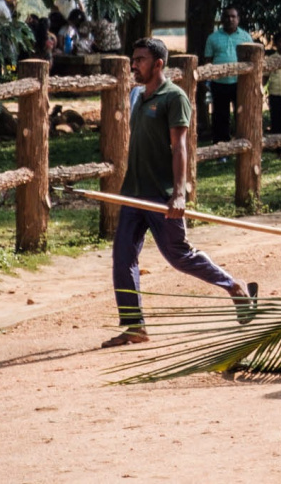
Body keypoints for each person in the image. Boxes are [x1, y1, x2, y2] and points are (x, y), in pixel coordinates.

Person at [103, 36, 255, 347]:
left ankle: (236, 287)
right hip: (133, 192)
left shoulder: (174, 98)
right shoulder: (136, 96)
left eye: (141, 60)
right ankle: (134, 326)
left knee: (179, 256)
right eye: (134, 59)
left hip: (162, 194)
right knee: (123, 257)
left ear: (158, 64)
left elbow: (180, 147)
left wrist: (179, 194)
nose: (134, 64)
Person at [201, 8, 251, 143]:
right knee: (220, 116)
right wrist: (207, 82)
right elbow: (208, 61)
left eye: (233, 17)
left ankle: (243, 143)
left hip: (240, 83)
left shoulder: (246, 37)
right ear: (222, 19)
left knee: (242, 115)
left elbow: (251, 60)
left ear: (238, 19)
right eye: (227, 17)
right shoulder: (213, 38)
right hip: (219, 83)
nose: (230, 19)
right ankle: (221, 145)